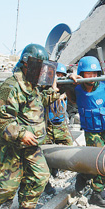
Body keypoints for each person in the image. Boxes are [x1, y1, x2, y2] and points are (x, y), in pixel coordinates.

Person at [0, 44, 60, 209]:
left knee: (40, 176)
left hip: (32, 145)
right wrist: (21, 133)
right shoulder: (12, 86)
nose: (42, 71)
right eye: (39, 66)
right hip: (13, 144)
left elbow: (37, 105)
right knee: (7, 185)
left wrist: (56, 91)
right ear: (26, 64)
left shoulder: (32, 85)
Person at [69, 56, 105, 208]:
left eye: (95, 73)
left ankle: (83, 176)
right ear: (82, 73)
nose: (93, 77)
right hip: (91, 132)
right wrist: (70, 76)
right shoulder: (76, 88)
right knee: (104, 163)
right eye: (89, 73)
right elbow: (56, 82)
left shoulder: (104, 85)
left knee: (102, 162)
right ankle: (96, 192)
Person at [43, 62, 73, 195]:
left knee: (68, 146)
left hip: (60, 124)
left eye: (61, 75)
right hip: (48, 125)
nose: (59, 77)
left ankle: (58, 168)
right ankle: (46, 183)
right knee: (46, 153)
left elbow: (72, 91)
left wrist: (63, 95)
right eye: (56, 75)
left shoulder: (65, 88)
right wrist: (54, 88)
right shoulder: (45, 88)